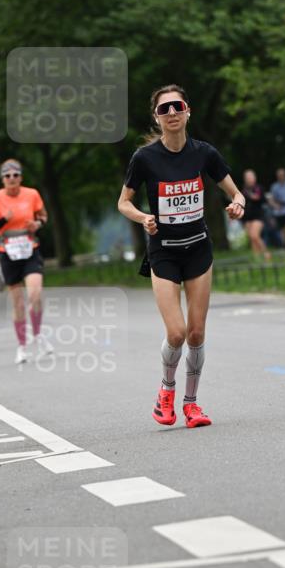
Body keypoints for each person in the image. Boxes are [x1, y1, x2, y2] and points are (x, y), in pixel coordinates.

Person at [117, 84, 245, 428]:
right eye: (164, 109)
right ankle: (166, 391)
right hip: (165, 254)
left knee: (197, 333)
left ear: (188, 111)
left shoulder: (204, 153)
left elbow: (236, 193)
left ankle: (191, 404)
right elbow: (123, 202)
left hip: (198, 250)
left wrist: (237, 205)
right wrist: (144, 217)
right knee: (176, 332)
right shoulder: (145, 158)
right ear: (157, 118)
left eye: (177, 106)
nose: (172, 113)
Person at [0, 160, 53, 364]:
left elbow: (44, 216)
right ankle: (22, 346)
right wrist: (4, 220)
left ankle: (38, 334)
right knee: (18, 303)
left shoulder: (32, 194)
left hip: (30, 248)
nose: (11, 178)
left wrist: (37, 224)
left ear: (21, 177)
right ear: (2, 179)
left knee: (35, 294)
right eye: (7, 175)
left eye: (15, 174)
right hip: (7, 252)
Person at [241, 169, 270, 260]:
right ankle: (256, 257)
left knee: (255, 235)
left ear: (254, 178)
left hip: (258, 216)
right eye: (247, 177)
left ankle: (266, 254)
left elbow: (257, 198)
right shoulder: (243, 190)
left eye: (251, 177)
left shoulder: (258, 188)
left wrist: (248, 195)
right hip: (247, 217)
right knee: (251, 238)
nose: (249, 179)